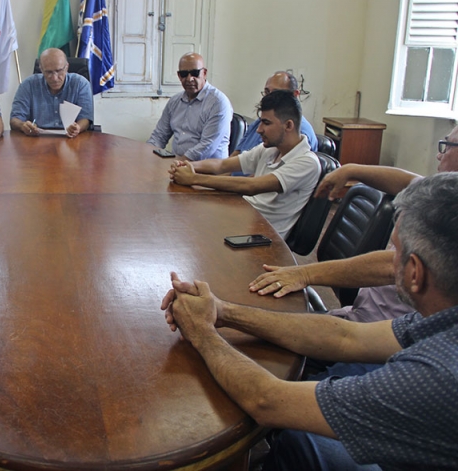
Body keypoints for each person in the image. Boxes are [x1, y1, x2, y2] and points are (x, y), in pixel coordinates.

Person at [161, 172, 458, 470]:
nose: (388, 261)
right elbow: (348, 337)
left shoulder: (436, 376)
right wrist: (222, 311)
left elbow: (268, 402)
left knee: (299, 440)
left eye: (394, 252)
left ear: (415, 272)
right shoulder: (443, 319)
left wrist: (201, 332)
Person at [247, 125, 458, 322]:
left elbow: (394, 265)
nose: (439, 154)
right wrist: (351, 170)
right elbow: (410, 181)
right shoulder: (443, 194)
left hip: (381, 332)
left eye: (447, 146)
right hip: (359, 315)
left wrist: (304, 274)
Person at [169, 89, 320, 239]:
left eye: (266, 123)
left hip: (263, 237)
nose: (259, 130)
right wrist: (185, 166)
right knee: (184, 217)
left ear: (288, 125)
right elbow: (222, 165)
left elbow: (251, 186)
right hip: (244, 218)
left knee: (190, 228)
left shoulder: (307, 162)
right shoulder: (269, 149)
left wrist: (194, 178)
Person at [230, 71, 318, 177]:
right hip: (231, 185)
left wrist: (216, 183)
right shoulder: (258, 123)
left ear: (295, 95)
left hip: (245, 189)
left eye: (276, 93)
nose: (269, 98)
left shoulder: (300, 131)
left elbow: (258, 180)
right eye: (267, 92)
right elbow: (234, 157)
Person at [147, 52, 233, 160]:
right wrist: (147, 156)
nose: (189, 79)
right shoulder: (174, 102)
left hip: (206, 171)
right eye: (184, 74)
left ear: (204, 73)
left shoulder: (218, 103)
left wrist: (178, 163)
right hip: (178, 165)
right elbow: (159, 136)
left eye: (194, 73)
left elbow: (207, 147)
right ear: (179, 76)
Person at [10, 48, 93, 138]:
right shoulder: (28, 85)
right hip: (36, 138)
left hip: (71, 138)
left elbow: (86, 118)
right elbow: (15, 119)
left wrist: (78, 128)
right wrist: (23, 125)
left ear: (67, 67)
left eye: (59, 71)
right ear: (41, 69)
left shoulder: (80, 84)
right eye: (48, 72)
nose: (54, 78)